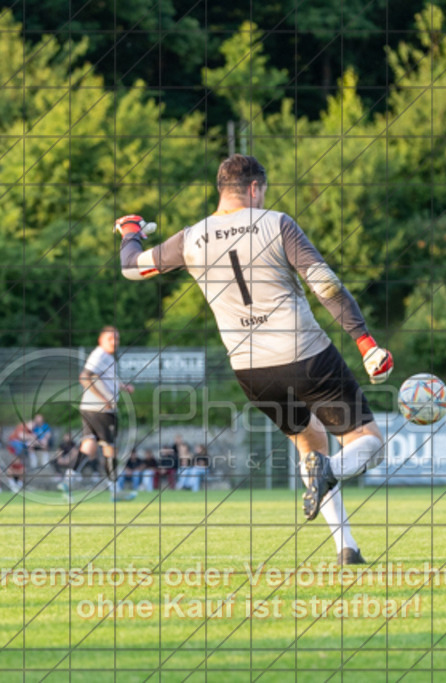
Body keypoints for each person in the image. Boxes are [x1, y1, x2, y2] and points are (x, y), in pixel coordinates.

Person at [117, 154, 393, 565]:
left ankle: (345, 547)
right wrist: (366, 342)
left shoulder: (191, 237)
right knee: (368, 442)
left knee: (309, 442)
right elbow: (326, 285)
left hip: (251, 371)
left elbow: (132, 269)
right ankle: (331, 472)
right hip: (305, 354)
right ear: (254, 188)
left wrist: (130, 233)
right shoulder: (275, 223)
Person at [78, 326, 136, 502]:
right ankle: (115, 491)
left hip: (89, 408)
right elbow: (84, 377)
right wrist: (104, 398)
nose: (114, 342)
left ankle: (69, 478)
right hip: (102, 409)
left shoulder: (107, 358)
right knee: (110, 448)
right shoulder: (100, 355)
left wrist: (122, 386)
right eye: (110, 339)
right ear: (100, 340)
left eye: (116, 339)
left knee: (89, 443)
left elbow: (106, 378)